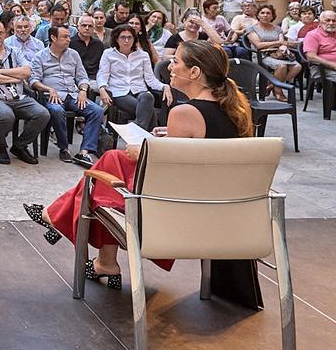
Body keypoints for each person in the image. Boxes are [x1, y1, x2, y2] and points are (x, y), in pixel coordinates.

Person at [24, 39, 253, 288]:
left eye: (176, 62)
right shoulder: (236, 109)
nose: (169, 67)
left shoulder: (185, 113)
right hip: (215, 210)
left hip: (172, 215)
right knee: (114, 160)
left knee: (105, 180)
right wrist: (163, 143)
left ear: (195, 72)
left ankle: (58, 219)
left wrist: (144, 153)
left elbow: (163, 177)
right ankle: (104, 261)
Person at [0, 20, 48, 165]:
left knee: (42, 114)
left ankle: (20, 145)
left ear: (6, 33)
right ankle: (1, 146)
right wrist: (14, 76)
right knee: (6, 115)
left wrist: (0, 72)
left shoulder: (15, 51)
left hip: (17, 94)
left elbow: (27, 71)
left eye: (0, 33)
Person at [30, 24, 104, 167]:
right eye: (65, 37)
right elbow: (33, 81)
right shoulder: (40, 57)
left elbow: (82, 77)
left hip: (72, 94)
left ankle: (84, 152)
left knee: (96, 110)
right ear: (53, 38)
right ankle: (63, 147)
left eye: (69, 36)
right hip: (52, 96)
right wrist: (49, 89)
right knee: (57, 110)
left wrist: (83, 90)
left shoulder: (73, 54)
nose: (69, 39)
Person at [96, 25, 171, 131]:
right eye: (123, 37)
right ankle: (145, 135)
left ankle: (139, 132)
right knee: (148, 109)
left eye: (129, 37)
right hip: (119, 92)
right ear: (117, 39)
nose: (126, 40)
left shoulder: (143, 55)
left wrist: (164, 86)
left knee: (148, 97)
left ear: (134, 39)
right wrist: (102, 88)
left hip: (139, 90)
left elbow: (150, 79)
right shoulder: (108, 54)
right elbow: (102, 74)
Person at [244, 3, 302, 99]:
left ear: (272, 16)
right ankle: (278, 91)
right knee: (282, 66)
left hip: (277, 54)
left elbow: (282, 43)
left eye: (268, 13)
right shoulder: (252, 29)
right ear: (258, 15)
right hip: (262, 55)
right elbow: (258, 45)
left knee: (297, 66)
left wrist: (283, 47)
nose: (265, 15)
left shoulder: (277, 29)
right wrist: (278, 43)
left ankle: (271, 85)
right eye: (262, 13)